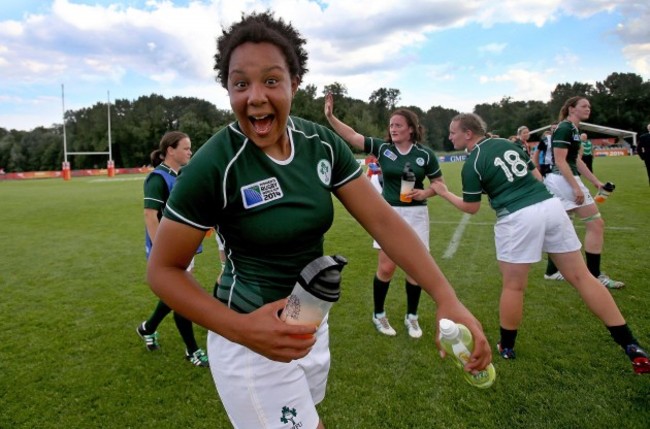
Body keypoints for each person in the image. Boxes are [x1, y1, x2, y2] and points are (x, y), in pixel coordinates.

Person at [146, 12, 491, 429]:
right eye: (241, 83)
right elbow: (163, 270)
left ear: (295, 82)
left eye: (271, 80)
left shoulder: (321, 144)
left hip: (310, 325)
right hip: (248, 339)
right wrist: (242, 330)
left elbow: (384, 222)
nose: (255, 96)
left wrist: (446, 297)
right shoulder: (214, 164)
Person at [430, 112, 649, 373]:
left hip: (517, 217)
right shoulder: (509, 144)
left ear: (468, 133)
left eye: (453, 132)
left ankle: (507, 347)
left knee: (514, 287)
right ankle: (630, 344)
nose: (449, 136)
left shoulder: (473, 162)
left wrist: (443, 193)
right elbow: (538, 178)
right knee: (582, 277)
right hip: (549, 205)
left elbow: (471, 207)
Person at [324, 94, 444, 339]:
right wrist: (330, 117)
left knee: (416, 269)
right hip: (389, 214)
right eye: (391, 125)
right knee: (387, 267)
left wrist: (426, 192)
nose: (393, 129)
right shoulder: (383, 148)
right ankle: (378, 314)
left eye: (398, 125)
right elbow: (352, 136)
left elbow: (439, 184)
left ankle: (412, 317)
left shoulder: (425, 155)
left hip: (417, 214)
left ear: (411, 129)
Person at [136, 131, 209, 368]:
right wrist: (162, 252)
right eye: (186, 148)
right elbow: (150, 216)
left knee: (173, 295)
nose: (190, 152)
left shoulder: (181, 174)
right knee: (181, 297)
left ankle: (147, 328)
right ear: (170, 150)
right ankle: (192, 350)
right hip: (169, 250)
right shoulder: (157, 178)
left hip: (184, 245)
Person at [542, 96, 624, 288]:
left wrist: (595, 182)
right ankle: (595, 275)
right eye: (584, 106)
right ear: (571, 109)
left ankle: (552, 272)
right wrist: (576, 187)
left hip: (562, 180)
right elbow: (560, 160)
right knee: (596, 224)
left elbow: (576, 160)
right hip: (563, 180)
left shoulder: (573, 129)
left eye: (589, 105)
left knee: (563, 225)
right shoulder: (565, 128)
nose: (589, 108)